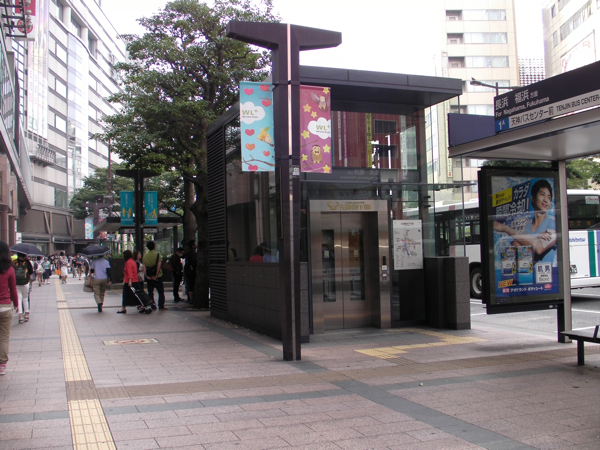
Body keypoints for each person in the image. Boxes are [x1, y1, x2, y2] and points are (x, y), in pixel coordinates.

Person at [493, 179, 557, 264]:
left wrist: (506, 228)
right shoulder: (526, 224)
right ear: (533, 198)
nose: (546, 200)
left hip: (544, 271)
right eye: (542, 194)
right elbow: (516, 247)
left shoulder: (553, 223)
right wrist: (535, 237)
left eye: (549, 197)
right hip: (524, 270)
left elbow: (539, 248)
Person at [0, 240, 19, 375]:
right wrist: (16, 304)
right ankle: (2, 365)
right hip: (5, 306)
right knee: (4, 337)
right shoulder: (10, 269)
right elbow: (13, 289)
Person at [143, 241, 166, 310]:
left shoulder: (145, 256)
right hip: (157, 276)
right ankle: (161, 305)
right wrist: (156, 275)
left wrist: (146, 275)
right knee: (160, 291)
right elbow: (159, 265)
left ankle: (152, 305)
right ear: (154, 247)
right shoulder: (157, 255)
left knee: (150, 292)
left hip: (149, 276)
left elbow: (144, 267)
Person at [13, 253, 33, 324]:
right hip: (25, 282)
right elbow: (31, 272)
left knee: (19, 299)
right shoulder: (27, 262)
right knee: (25, 298)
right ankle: (26, 315)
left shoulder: (14, 262)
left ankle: (20, 316)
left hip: (16, 283)